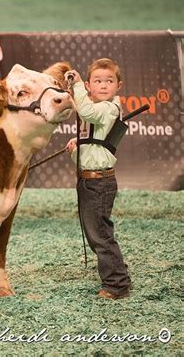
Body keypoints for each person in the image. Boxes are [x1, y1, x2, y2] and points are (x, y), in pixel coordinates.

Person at [65, 58, 132, 299]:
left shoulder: (108, 109)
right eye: (97, 81)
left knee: (101, 235)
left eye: (109, 81)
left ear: (119, 85)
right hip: (89, 180)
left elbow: (86, 110)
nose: (103, 85)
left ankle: (117, 284)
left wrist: (78, 87)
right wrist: (78, 149)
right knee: (95, 233)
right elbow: (93, 151)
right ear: (91, 85)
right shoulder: (98, 110)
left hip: (100, 183)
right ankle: (118, 272)